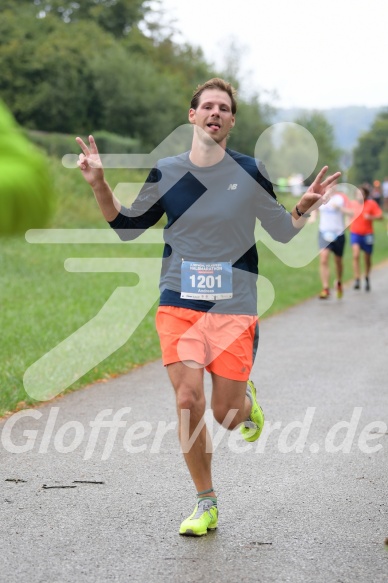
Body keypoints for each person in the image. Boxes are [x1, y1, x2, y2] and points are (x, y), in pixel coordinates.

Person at [76, 78, 340, 536]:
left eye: (224, 108)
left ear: (232, 121)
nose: (215, 113)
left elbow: (281, 231)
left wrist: (303, 206)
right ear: (192, 116)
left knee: (227, 414)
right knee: (186, 398)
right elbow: (128, 226)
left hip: (235, 305)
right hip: (179, 301)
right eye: (207, 106)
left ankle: (246, 403)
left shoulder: (250, 171)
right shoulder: (167, 171)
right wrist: (99, 184)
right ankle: (206, 501)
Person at [314, 190, 352, 299]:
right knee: (324, 258)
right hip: (324, 232)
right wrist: (312, 217)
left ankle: (339, 281)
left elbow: (351, 213)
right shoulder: (320, 198)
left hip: (338, 233)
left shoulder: (342, 198)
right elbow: (315, 209)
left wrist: (339, 208)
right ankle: (325, 288)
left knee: (338, 261)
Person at [350, 183, 383, 291]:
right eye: (357, 194)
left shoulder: (371, 204)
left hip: (368, 234)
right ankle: (357, 279)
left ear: (365, 195)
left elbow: (380, 216)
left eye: (361, 194)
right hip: (355, 233)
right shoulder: (353, 204)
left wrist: (371, 217)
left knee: (367, 258)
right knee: (355, 255)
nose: (359, 196)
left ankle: (367, 276)